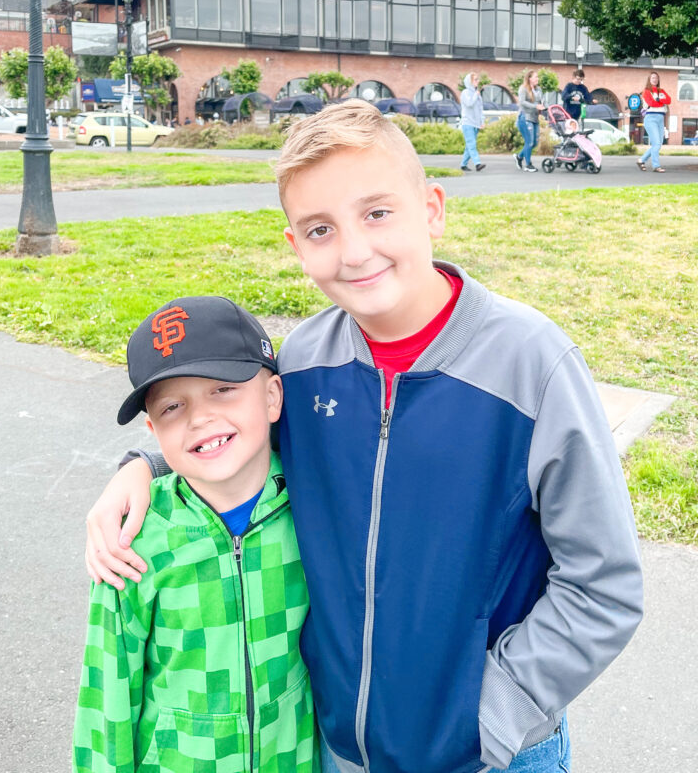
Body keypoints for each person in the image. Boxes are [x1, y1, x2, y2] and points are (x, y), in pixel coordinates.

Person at [86, 101, 643, 773]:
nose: (354, 251)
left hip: (490, 755)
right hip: (341, 750)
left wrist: (491, 713)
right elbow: (230, 435)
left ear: (431, 209)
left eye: (377, 213)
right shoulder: (302, 360)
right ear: (296, 246)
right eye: (320, 229)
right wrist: (143, 465)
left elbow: (603, 582)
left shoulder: (532, 365)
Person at [73, 296, 318, 773]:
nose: (199, 417)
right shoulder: (133, 542)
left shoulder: (314, 509)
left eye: (223, 390)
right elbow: (107, 696)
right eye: (172, 407)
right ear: (153, 430)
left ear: (272, 397)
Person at [637, 71, 671, 173]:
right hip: (651, 118)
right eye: (653, 78)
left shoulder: (662, 91)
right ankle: (656, 166)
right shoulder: (646, 91)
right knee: (656, 144)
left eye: (656, 78)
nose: (655, 79)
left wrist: (658, 100)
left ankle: (641, 160)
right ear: (649, 79)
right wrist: (661, 101)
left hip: (661, 118)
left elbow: (669, 100)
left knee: (658, 144)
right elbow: (652, 103)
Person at [514, 69, 545, 172]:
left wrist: (547, 107)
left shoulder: (539, 89)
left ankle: (519, 156)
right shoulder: (523, 89)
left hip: (535, 118)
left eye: (537, 77)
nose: (537, 79)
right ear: (530, 78)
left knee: (534, 143)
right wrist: (535, 106)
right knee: (529, 142)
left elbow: (542, 101)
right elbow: (522, 102)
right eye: (536, 77)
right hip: (525, 117)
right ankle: (528, 164)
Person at [459, 71, 486, 172]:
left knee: (469, 146)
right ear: (469, 82)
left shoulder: (477, 95)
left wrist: (481, 121)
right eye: (475, 79)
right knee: (472, 144)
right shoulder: (465, 93)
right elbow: (469, 103)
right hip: (467, 123)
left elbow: (480, 109)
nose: (477, 81)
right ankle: (477, 164)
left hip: (476, 124)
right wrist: (475, 95)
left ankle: (463, 164)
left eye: (477, 79)